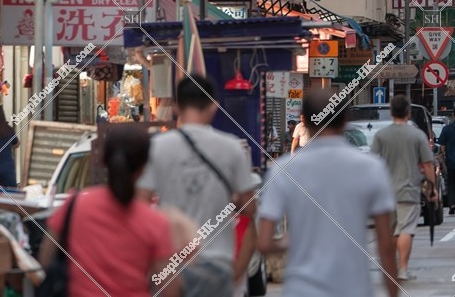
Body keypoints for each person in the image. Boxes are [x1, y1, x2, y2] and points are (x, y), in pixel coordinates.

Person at [259, 88, 398, 297]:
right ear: (345, 120)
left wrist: (296, 240)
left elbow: (263, 242)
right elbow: (386, 244)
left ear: (303, 122)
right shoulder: (370, 167)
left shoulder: (283, 170)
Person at [137, 76, 259, 297]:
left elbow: (140, 204)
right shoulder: (232, 148)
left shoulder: (157, 147)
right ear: (214, 105)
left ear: (175, 107)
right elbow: (249, 208)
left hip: (171, 264)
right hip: (217, 263)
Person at [40, 124, 179, 297]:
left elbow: (45, 260)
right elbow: (169, 288)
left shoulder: (74, 205)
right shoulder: (157, 222)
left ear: (102, 159)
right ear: (144, 166)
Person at [370, 95, 439, 282]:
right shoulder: (417, 135)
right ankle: (402, 268)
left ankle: (391, 268)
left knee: (391, 232)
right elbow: (428, 165)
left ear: (391, 113)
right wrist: (432, 189)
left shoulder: (380, 135)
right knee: (406, 230)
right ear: (408, 113)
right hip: (409, 190)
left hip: (385, 193)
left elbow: (372, 164)